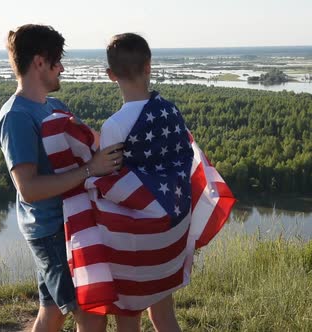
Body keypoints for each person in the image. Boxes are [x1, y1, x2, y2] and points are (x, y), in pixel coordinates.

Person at [0, 24, 122, 332]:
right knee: (91, 315)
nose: (62, 68)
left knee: (52, 313)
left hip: (66, 224)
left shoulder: (54, 106)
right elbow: (28, 189)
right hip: (51, 230)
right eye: (57, 61)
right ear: (40, 62)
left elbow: (91, 145)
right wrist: (91, 169)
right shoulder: (17, 117)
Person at [100, 32, 182, 332]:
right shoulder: (170, 111)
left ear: (110, 75)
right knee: (163, 315)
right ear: (149, 66)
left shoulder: (115, 126)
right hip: (167, 232)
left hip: (132, 241)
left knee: (128, 319)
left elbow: (108, 182)